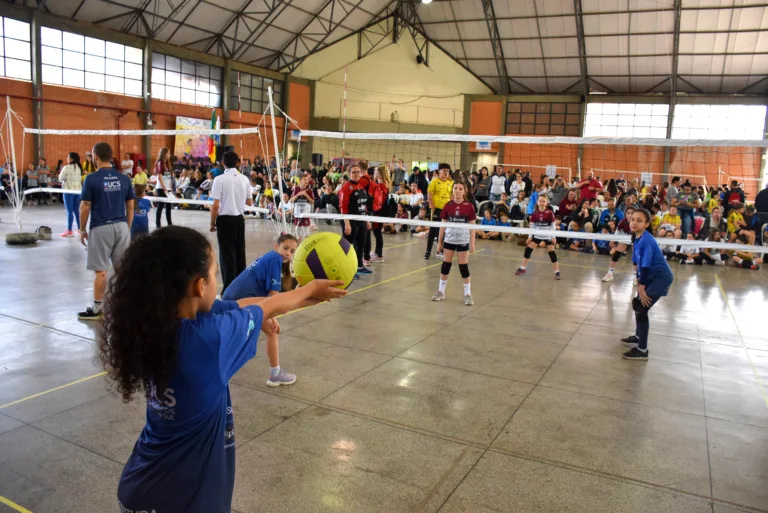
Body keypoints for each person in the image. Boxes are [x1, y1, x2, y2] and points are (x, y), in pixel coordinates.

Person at [100, 226, 345, 513]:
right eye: (215, 274)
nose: (217, 281)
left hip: (142, 483)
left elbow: (244, 305)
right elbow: (267, 307)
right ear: (199, 286)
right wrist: (310, 289)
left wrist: (291, 300)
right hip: (180, 500)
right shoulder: (207, 339)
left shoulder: (158, 322)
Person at [222, 233, 300, 386]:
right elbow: (273, 297)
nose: (288, 254)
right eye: (285, 248)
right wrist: (273, 318)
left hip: (231, 297)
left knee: (233, 335)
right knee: (272, 330)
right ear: (276, 246)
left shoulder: (271, 257)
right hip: (241, 300)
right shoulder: (275, 260)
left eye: (292, 251)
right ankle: (275, 374)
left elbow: (275, 290)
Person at [78, 142, 135, 321]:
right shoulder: (124, 178)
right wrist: (127, 227)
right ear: (111, 157)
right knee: (123, 270)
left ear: (95, 157)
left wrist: (81, 229)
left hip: (101, 227)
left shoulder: (91, 179)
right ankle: (127, 307)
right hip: (121, 226)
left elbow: (85, 206)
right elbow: (131, 206)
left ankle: (97, 309)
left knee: (101, 271)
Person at [620, 209, 674, 360]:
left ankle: (642, 350)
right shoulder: (636, 237)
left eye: (639, 220)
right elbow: (637, 262)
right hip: (649, 276)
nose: (634, 223)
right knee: (637, 303)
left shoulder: (647, 240)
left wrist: (642, 287)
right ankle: (638, 336)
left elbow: (645, 266)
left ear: (647, 224)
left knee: (642, 309)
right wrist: (639, 283)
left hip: (660, 278)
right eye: (632, 220)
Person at [210, 150, 252, 294]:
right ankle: (241, 288)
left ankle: (228, 290)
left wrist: (212, 222)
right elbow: (250, 202)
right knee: (240, 254)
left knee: (227, 256)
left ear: (222, 163)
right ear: (238, 163)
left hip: (225, 220)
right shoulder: (244, 179)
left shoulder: (219, 180)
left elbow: (215, 205)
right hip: (239, 220)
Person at [431, 182, 477, 305]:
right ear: (452, 191)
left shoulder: (469, 206)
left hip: (463, 240)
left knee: (463, 267)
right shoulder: (448, 205)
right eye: (455, 188)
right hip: (449, 240)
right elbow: (442, 225)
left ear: (464, 191)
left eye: (460, 189)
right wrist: (439, 242)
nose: (457, 190)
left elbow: (473, 227)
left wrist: (472, 243)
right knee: (445, 265)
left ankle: (467, 294)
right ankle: (441, 291)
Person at [515, 195, 561, 280]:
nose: (542, 203)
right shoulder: (535, 213)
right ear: (537, 202)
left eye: (544, 201)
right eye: (540, 201)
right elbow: (532, 226)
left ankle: (557, 272)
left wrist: (553, 236)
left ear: (546, 203)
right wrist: (530, 237)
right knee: (528, 250)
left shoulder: (549, 213)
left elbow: (553, 225)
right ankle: (522, 268)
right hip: (537, 236)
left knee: (552, 254)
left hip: (547, 236)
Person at [339, 163, 371, 277]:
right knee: (348, 245)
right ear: (349, 174)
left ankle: (359, 266)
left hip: (361, 219)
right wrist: (347, 224)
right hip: (350, 220)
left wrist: (367, 220)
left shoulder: (362, 186)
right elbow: (343, 207)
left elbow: (364, 205)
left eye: (358, 171)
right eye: (354, 172)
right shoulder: (346, 187)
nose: (356, 174)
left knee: (361, 244)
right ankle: (346, 269)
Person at [425, 164, 454, 260]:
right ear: (439, 171)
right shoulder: (434, 182)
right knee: (433, 231)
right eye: (444, 170)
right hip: (436, 209)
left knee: (443, 232)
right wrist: (433, 208)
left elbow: (451, 196)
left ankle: (439, 250)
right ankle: (428, 251)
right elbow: (429, 197)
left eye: (448, 171)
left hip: (447, 210)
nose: (446, 172)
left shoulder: (451, 183)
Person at [365, 164, 392, 263]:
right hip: (379, 211)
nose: (374, 173)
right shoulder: (382, 184)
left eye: (376, 172)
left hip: (379, 212)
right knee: (377, 232)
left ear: (380, 174)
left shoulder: (381, 186)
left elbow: (379, 200)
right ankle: (377, 252)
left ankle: (379, 255)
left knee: (377, 232)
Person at [602, 207, 635, 283]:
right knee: (616, 254)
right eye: (628, 213)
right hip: (625, 238)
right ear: (625, 214)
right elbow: (618, 231)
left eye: (632, 213)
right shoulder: (622, 222)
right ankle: (610, 274)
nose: (630, 215)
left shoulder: (637, 222)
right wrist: (613, 239)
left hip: (635, 239)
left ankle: (635, 277)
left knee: (636, 257)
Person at [59, 152, 83, 237]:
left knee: (69, 211)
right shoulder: (79, 168)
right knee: (76, 210)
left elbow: (60, 178)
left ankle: (69, 230)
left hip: (68, 191)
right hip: (77, 191)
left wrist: (65, 178)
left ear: (72, 159)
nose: (67, 158)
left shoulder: (66, 167)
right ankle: (80, 229)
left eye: (68, 157)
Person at [289, 173, 315, 240]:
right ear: (300, 180)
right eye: (305, 179)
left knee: (306, 230)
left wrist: (306, 195)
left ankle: (306, 245)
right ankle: (298, 245)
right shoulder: (296, 189)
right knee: (297, 230)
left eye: (307, 180)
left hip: (305, 213)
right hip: (297, 214)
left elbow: (312, 202)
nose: (306, 181)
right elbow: (291, 200)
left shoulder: (309, 190)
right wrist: (297, 195)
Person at [154, 147, 174, 228]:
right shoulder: (160, 163)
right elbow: (159, 176)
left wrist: (170, 188)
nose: (169, 154)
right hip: (161, 188)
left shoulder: (167, 164)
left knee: (169, 206)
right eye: (168, 153)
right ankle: (158, 224)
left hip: (167, 188)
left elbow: (168, 177)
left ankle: (169, 224)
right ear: (164, 154)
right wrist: (164, 187)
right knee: (160, 206)